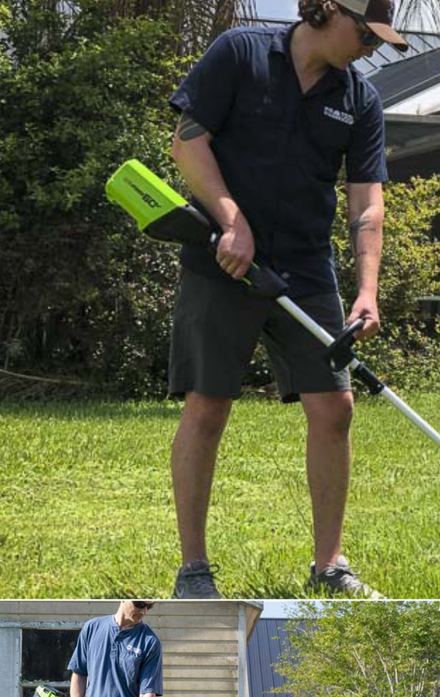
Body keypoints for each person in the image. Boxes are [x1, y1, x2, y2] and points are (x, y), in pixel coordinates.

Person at [166, 0, 408, 601]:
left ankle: (329, 566)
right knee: (208, 407)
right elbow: (188, 143)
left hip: (304, 268)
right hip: (221, 261)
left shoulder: (360, 99)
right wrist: (231, 220)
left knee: (336, 409)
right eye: (365, 32)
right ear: (328, 10)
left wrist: (368, 291)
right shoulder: (240, 53)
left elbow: (366, 203)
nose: (372, 46)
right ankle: (194, 569)